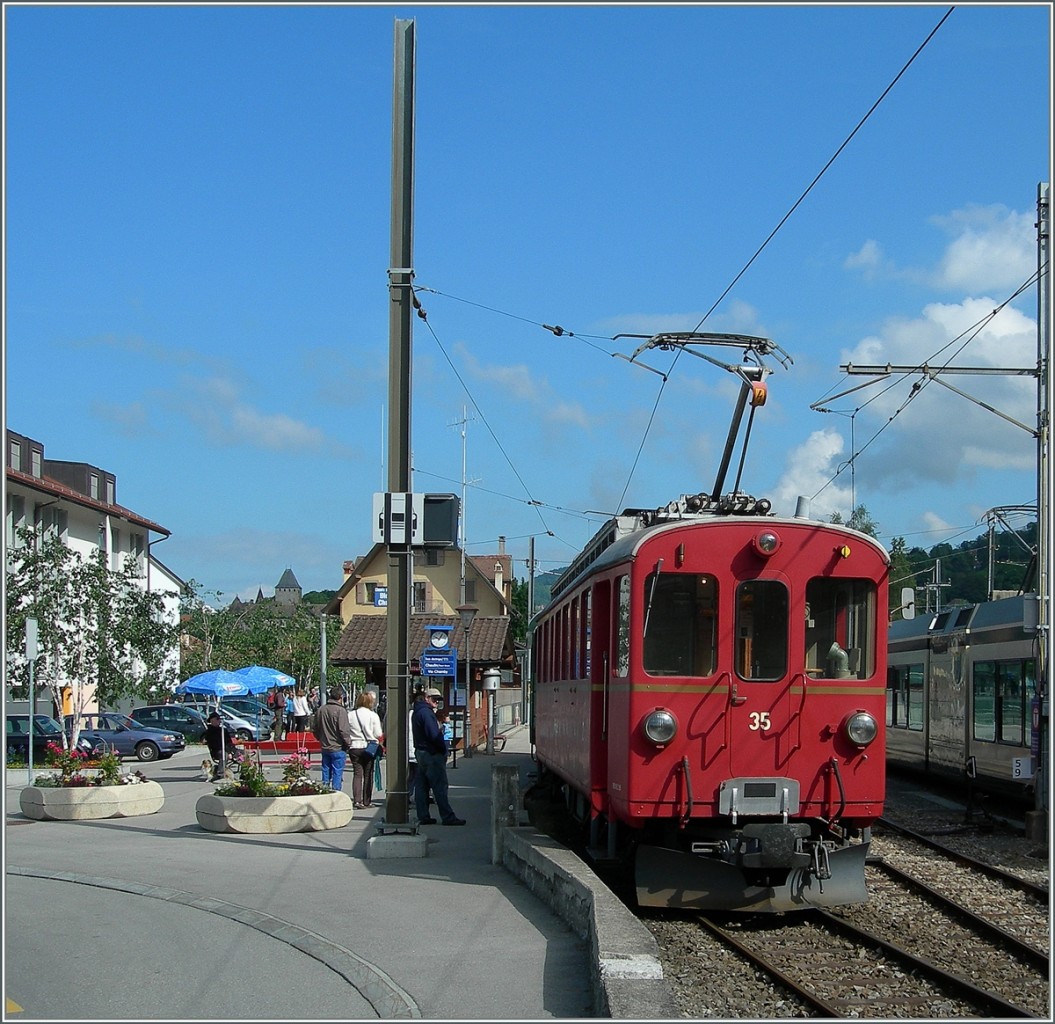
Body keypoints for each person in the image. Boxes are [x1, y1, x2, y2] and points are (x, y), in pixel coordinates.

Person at [411, 687, 465, 826]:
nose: (437, 702)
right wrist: (443, 749)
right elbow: (433, 735)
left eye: (438, 700)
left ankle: (423, 816)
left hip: (421, 752)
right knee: (439, 786)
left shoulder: (417, 712)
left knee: (422, 786)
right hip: (431, 753)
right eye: (434, 699)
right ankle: (448, 816)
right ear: (427, 698)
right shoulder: (427, 714)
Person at [347, 691, 384, 810]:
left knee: (357, 774)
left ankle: (357, 801)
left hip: (354, 746)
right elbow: (378, 733)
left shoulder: (351, 715)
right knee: (368, 774)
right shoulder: (373, 715)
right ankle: (366, 800)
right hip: (369, 747)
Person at [313, 687, 353, 791]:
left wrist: (320, 739)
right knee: (337, 773)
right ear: (341, 697)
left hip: (325, 746)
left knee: (325, 771)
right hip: (338, 747)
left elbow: (315, 728)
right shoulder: (341, 711)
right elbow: (343, 730)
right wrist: (348, 743)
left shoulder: (321, 710)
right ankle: (336, 794)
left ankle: (324, 792)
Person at [204, 711, 237, 781]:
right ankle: (220, 774)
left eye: (219, 719)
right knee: (224, 755)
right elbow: (216, 744)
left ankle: (246, 774)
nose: (219, 721)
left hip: (228, 749)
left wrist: (231, 751)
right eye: (217, 719)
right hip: (217, 751)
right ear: (212, 721)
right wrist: (228, 752)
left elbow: (229, 742)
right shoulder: (209, 732)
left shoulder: (223, 730)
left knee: (245, 753)